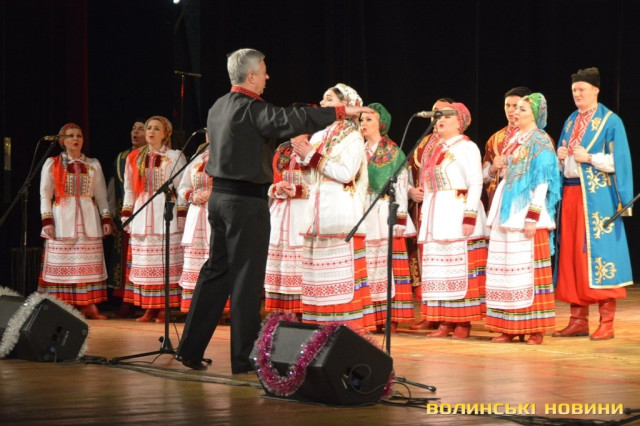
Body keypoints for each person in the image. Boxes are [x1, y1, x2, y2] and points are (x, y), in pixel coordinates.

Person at [176, 49, 373, 373]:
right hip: (244, 202)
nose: (267, 77)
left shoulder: (218, 105)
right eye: (264, 71)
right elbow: (291, 119)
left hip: (220, 198)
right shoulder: (251, 108)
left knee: (215, 272)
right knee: (246, 279)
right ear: (251, 75)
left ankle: (190, 347)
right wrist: (340, 112)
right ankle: (244, 358)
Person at [554, 67, 633, 340]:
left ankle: (606, 322)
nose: (577, 94)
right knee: (573, 256)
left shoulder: (611, 121)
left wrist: (589, 158)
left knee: (600, 254)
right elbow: (566, 162)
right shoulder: (570, 120)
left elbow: (619, 161)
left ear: (596, 90)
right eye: (574, 90)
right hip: (571, 195)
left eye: (582, 89)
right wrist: (560, 157)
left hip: (598, 199)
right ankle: (578, 320)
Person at [290, 83, 374, 334]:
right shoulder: (318, 136)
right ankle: (318, 329)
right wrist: (302, 159)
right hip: (316, 215)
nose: (322, 103)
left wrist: (311, 156)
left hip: (339, 214)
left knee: (340, 276)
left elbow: (346, 173)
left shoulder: (353, 137)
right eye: (323, 99)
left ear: (345, 105)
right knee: (316, 278)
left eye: (329, 99)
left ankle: (344, 330)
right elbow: (310, 178)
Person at [485, 93, 561, 345]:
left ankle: (535, 328)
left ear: (536, 114)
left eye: (522, 109)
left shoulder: (540, 141)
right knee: (507, 268)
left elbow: (542, 181)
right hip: (507, 207)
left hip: (526, 208)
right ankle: (510, 326)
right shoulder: (515, 139)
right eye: (515, 108)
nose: (516, 113)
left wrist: (532, 216)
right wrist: (500, 165)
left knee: (529, 269)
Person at [416, 102, 487, 339]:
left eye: (447, 116)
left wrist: (470, 215)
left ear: (460, 122)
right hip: (437, 212)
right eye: (439, 117)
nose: (441, 120)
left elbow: (476, 182)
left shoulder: (467, 147)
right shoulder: (435, 148)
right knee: (441, 270)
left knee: (459, 267)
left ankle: (463, 321)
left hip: (457, 211)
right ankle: (445, 320)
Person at [38, 123, 113, 319]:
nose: (75, 139)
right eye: (70, 136)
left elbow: (101, 195)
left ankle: (89, 305)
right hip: (63, 218)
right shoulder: (53, 163)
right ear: (62, 141)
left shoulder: (93, 164)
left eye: (79, 135)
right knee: (64, 263)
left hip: (88, 218)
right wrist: (47, 220)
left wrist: (106, 217)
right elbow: (45, 194)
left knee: (86, 262)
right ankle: (62, 305)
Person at [121, 115, 187, 323]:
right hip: (142, 211)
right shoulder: (134, 157)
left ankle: (164, 308)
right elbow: (129, 189)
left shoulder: (175, 156)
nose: (151, 131)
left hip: (164, 211)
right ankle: (149, 307)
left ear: (165, 133)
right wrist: (126, 214)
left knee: (165, 261)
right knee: (146, 263)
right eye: (149, 128)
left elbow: (182, 187)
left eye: (157, 128)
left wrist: (182, 213)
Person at [360, 102, 415, 333]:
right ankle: (371, 316)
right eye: (361, 120)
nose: (363, 124)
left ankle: (390, 317)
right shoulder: (357, 150)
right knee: (367, 264)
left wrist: (399, 219)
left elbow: (401, 188)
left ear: (381, 124)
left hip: (384, 212)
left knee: (387, 264)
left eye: (369, 120)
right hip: (363, 212)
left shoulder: (393, 152)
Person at [407, 97, 454, 331]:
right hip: (423, 208)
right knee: (428, 259)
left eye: (443, 113)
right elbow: (408, 171)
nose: (437, 117)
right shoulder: (423, 142)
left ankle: (448, 315)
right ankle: (430, 312)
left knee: (444, 262)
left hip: (445, 207)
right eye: (435, 112)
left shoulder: (456, 144)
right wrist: (411, 191)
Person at [263, 134, 312, 316]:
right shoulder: (283, 150)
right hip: (281, 212)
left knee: (300, 261)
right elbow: (272, 182)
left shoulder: (315, 147)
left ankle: (302, 311)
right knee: (279, 262)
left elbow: (322, 186)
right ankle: (279, 312)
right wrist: (277, 189)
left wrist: (298, 190)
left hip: (303, 211)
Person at [106, 119, 147, 317]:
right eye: (133, 128)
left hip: (148, 212)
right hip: (126, 212)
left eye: (141, 129)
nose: (135, 132)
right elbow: (113, 186)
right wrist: (110, 216)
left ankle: (148, 302)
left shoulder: (155, 156)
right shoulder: (122, 157)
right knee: (124, 258)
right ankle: (126, 301)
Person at [177, 141, 213, 313]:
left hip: (216, 213)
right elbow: (182, 186)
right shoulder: (196, 158)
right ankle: (195, 308)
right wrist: (192, 196)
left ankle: (216, 308)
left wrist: (214, 194)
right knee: (195, 262)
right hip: (196, 214)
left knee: (214, 258)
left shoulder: (229, 155)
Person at [482, 87, 532, 212]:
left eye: (515, 106)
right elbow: (483, 177)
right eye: (507, 105)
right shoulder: (494, 139)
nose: (510, 110)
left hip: (525, 194)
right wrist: (493, 169)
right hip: (499, 195)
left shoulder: (537, 137)